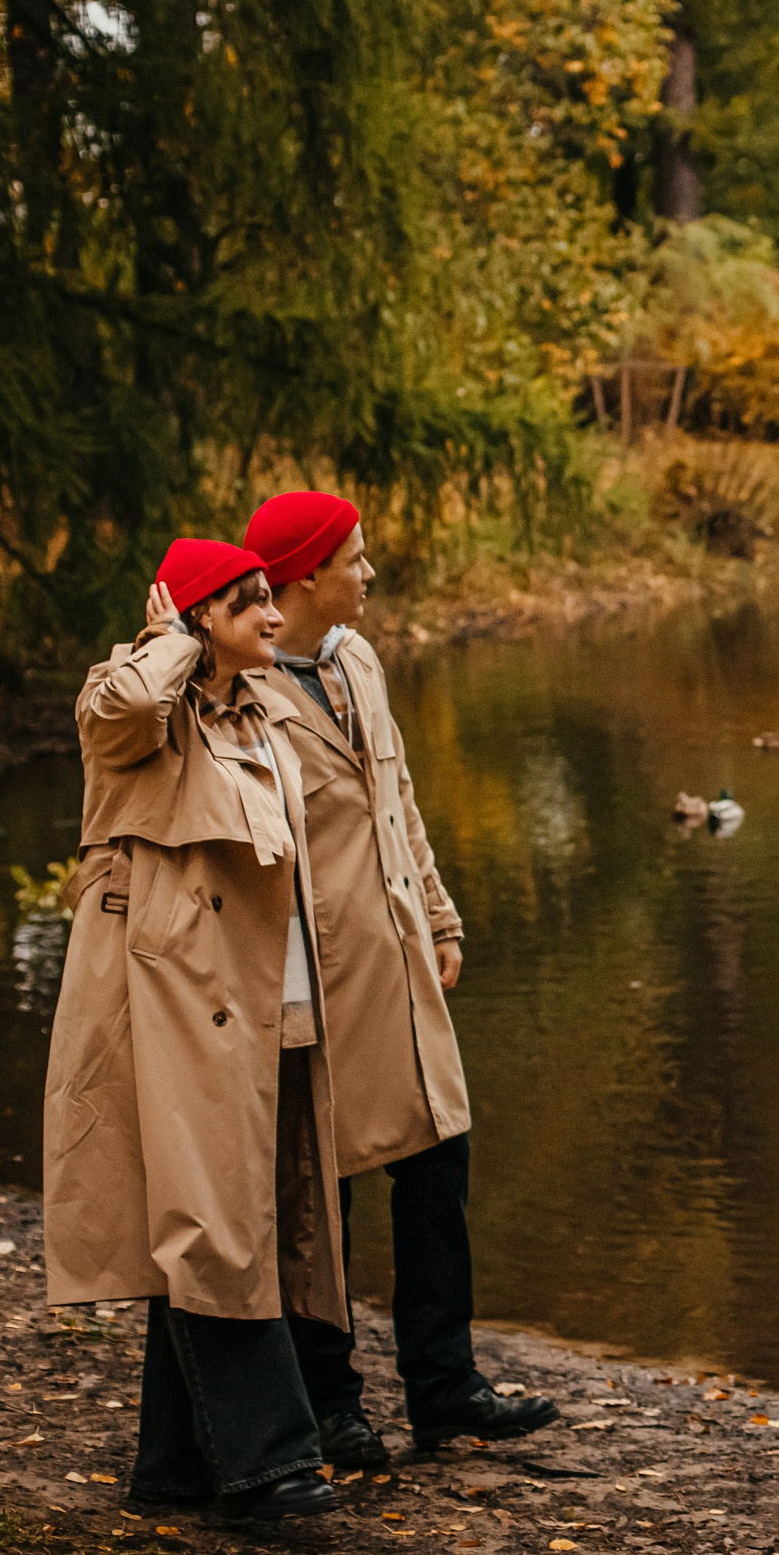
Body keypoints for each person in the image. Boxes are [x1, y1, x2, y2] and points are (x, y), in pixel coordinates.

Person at [242, 490, 559, 1461]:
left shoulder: (361, 659)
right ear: (303, 578)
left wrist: (440, 911)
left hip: (400, 957)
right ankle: (333, 1402)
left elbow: (399, 796)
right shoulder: (242, 693)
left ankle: (445, 1385)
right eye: (356, 558)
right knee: (321, 1197)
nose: (370, 573)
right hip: (314, 976)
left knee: (437, 1167)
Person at [41, 539, 344, 1521]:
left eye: (270, 597)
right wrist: (170, 639)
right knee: (210, 1221)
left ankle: (172, 1472)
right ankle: (271, 1463)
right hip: (168, 1004)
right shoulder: (137, 702)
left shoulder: (260, 714)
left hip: (257, 1005)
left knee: (215, 1213)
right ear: (201, 616)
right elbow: (118, 712)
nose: (272, 614)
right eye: (247, 602)